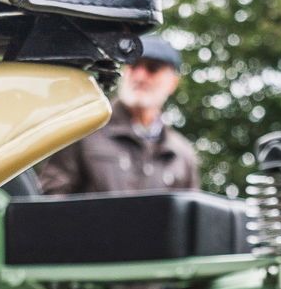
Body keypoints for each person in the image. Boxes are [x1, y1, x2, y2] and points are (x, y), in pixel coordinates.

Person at [35, 34, 200, 194]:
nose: (140, 76)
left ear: (172, 82)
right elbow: (52, 198)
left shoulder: (182, 155)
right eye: (134, 66)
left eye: (152, 68)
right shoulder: (85, 127)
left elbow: (188, 218)